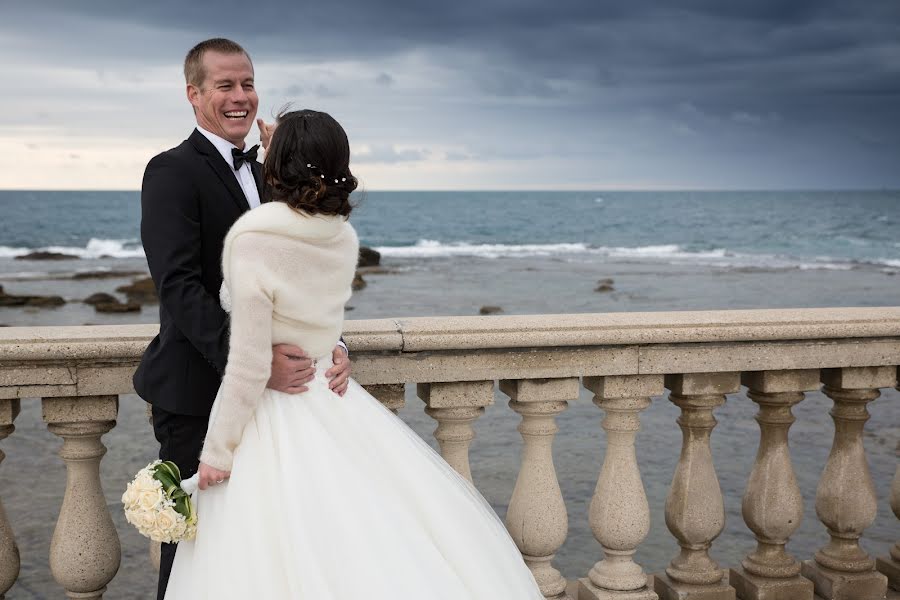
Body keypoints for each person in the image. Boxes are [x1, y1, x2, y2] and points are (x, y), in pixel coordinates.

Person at [162, 109, 543, 599]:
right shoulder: (340, 237)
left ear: (276, 168)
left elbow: (250, 363)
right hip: (328, 395)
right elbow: (318, 319)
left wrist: (215, 453)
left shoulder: (254, 241)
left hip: (271, 416)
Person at [133, 38, 351, 600]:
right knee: (194, 553)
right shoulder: (171, 171)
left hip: (280, 404)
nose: (240, 97)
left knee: (275, 545)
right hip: (199, 390)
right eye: (224, 86)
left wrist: (331, 343)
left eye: (247, 83)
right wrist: (254, 362)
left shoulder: (275, 174)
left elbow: (301, 271)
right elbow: (178, 285)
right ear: (194, 94)